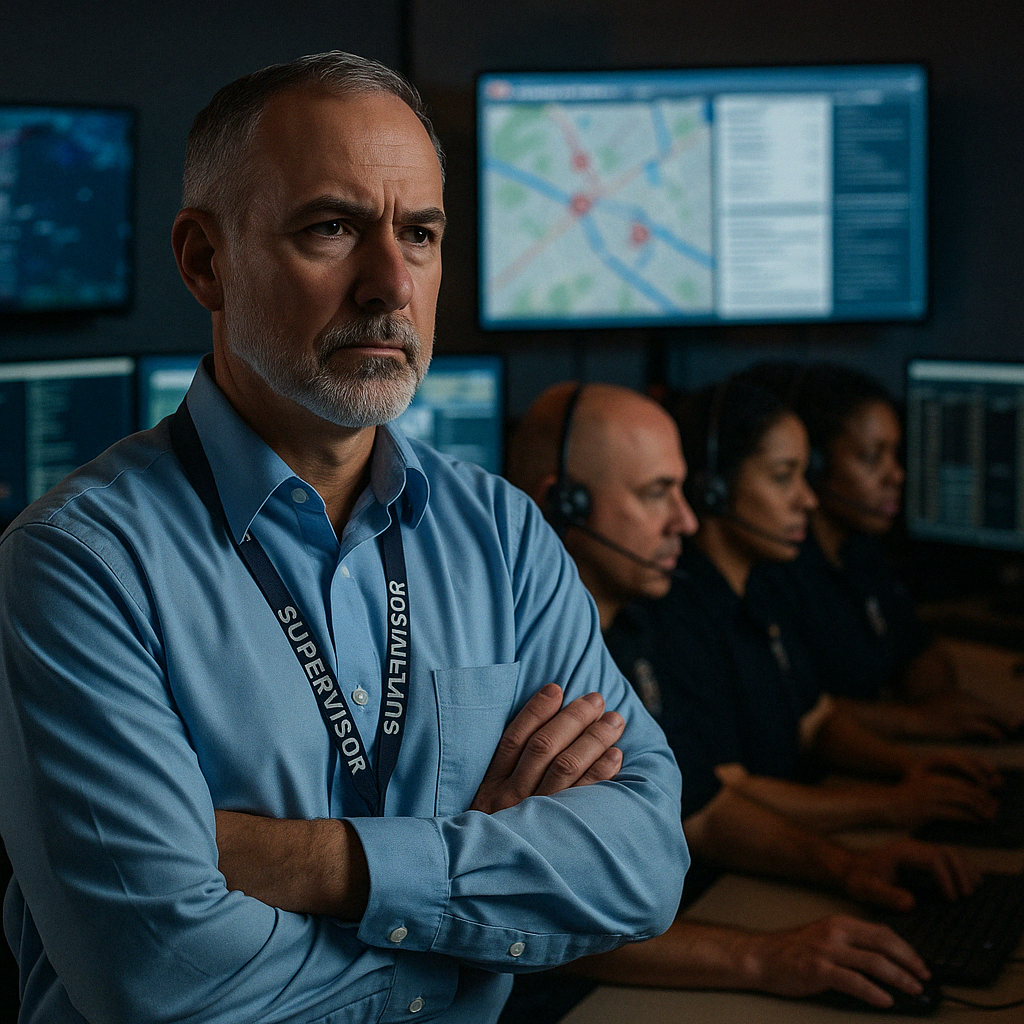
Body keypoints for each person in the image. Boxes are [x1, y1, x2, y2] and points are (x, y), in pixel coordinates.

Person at [0, 53, 686, 1024]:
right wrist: (472, 911)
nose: (390, 284)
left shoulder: (501, 536)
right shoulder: (79, 565)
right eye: (332, 228)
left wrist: (317, 862)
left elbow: (643, 867)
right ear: (206, 260)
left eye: (420, 233)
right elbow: (160, 982)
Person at [506, 381, 976, 1011]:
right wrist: (764, 955)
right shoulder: (515, 676)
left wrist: (844, 867)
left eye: (682, 488)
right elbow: (534, 910)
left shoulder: (631, 631)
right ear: (562, 505)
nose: (689, 521)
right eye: (656, 494)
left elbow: (702, 804)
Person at [647, 373, 1001, 835]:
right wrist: (888, 805)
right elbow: (722, 797)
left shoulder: (760, 590)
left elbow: (814, 720)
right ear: (712, 489)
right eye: (783, 477)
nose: (808, 500)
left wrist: (911, 767)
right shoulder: (677, 619)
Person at [756, 361, 1023, 741]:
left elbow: (916, 648)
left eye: (894, 455)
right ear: (814, 466)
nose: (895, 475)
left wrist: (940, 702)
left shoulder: (861, 552)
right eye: (871, 457)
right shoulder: (779, 570)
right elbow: (796, 706)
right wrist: (919, 722)